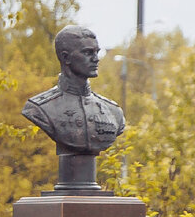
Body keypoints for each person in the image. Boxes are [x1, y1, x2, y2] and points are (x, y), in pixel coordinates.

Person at [22, 25, 126, 156]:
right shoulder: (40, 108)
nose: (96, 59)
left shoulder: (113, 112)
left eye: (96, 52)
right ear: (66, 58)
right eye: (88, 53)